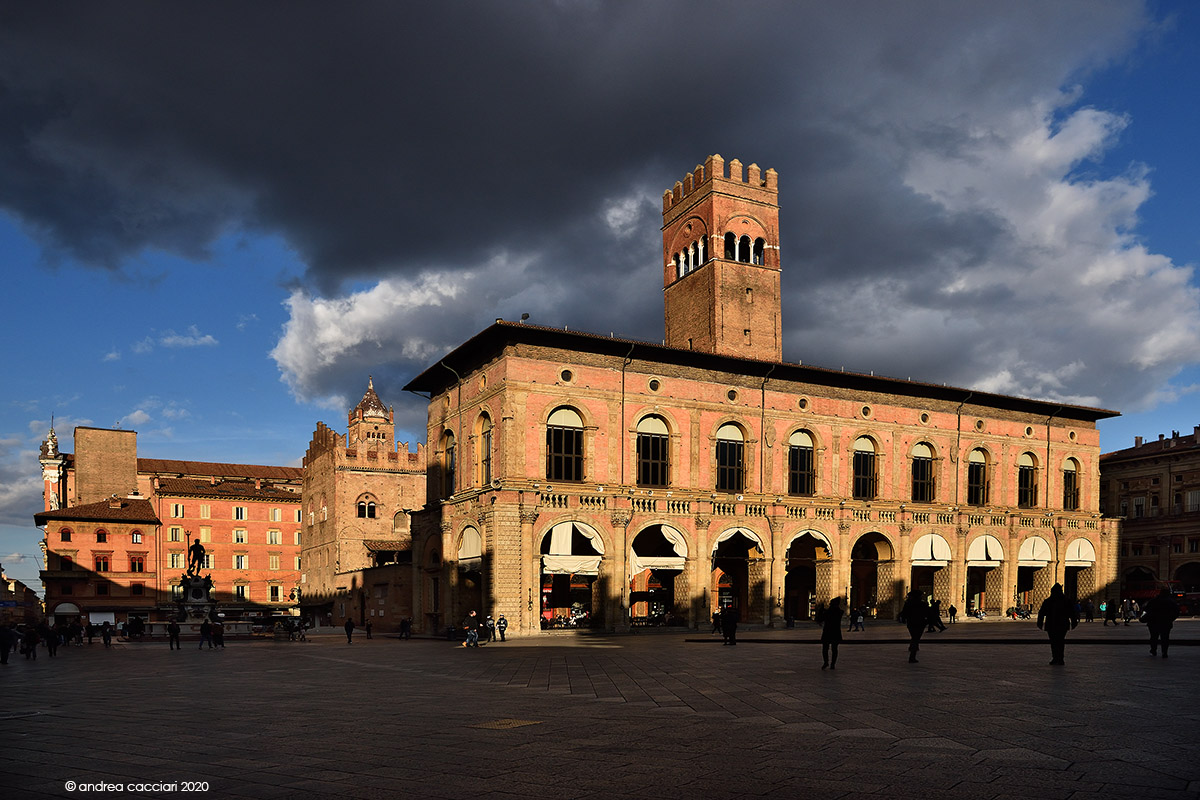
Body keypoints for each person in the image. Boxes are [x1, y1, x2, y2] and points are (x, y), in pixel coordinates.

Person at [1037, 583, 1079, 665]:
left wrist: (1040, 623)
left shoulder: (1048, 601)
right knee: (1060, 641)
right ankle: (1060, 658)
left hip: (1051, 624)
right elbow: (1072, 613)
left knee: (1054, 642)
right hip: (1062, 624)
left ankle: (1056, 657)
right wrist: (1074, 622)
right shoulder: (1067, 601)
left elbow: (1041, 613)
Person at [1143, 588, 1180, 658]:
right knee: (1165, 638)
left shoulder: (1153, 601)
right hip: (1166, 622)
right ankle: (1164, 652)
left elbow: (1146, 610)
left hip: (1153, 622)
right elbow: (1176, 612)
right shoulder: (1171, 602)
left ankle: (1153, 650)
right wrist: (1171, 619)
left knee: (1154, 637)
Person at [901, 591, 929, 663]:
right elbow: (927, 613)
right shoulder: (922, 604)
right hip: (920, 623)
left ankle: (912, 648)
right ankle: (912, 656)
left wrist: (904, 619)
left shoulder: (908, 604)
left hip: (911, 623)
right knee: (916, 638)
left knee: (914, 637)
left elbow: (904, 613)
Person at [821, 597, 844, 669]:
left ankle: (826, 662)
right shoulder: (840, 612)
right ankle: (833, 664)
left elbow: (820, 619)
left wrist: (821, 609)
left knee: (825, 648)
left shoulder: (827, 612)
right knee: (834, 649)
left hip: (827, 631)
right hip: (836, 632)